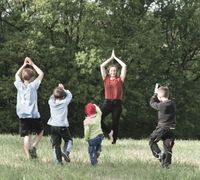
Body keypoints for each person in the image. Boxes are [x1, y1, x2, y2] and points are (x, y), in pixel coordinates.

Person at [14, 57, 44, 159]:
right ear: (32, 79)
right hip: (33, 115)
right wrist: (32, 64)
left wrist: (24, 65)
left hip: (22, 115)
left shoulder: (19, 85)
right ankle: (33, 146)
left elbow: (16, 74)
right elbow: (41, 74)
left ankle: (28, 156)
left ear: (23, 77)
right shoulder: (33, 86)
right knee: (40, 131)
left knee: (27, 135)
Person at [100, 50, 126, 144]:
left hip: (117, 103)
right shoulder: (105, 78)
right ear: (109, 71)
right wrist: (111, 58)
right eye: (111, 70)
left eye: (114, 70)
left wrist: (116, 58)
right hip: (107, 103)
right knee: (98, 118)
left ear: (116, 71)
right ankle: (109, 132)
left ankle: (114, 140)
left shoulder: (120, 79)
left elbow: (124, 66)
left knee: (115, 122)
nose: (113, 72)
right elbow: (102, 66)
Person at [149, 83, 176, 168]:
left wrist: (155, 94)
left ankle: (159, 155)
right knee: (168, 148)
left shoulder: (161, 105)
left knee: (152, 141)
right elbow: (166, 97)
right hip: (171, 129)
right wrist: (160, 93)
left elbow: (152, 103)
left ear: (159, 97)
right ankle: (166, 165)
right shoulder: (172, 103)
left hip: (162, 128)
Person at [47, 83, 73, 165]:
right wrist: (63, 89)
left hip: (53, 126)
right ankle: (66, 152)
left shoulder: (51, 102)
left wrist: (57, 90)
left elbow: (52, 97)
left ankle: (58, 162)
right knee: (68, 140)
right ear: (63, 96)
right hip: (62, 126)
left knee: (55, 145)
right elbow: (70, 95)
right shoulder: (65, 102)